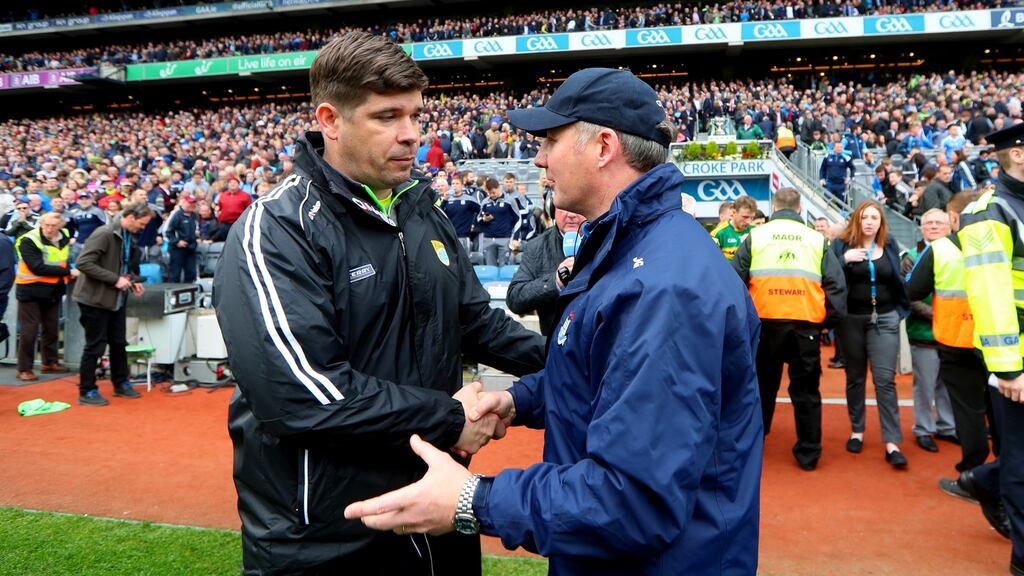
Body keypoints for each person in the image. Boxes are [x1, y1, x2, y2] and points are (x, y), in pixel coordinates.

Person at [345, 67, 763, 576]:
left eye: (550, 140)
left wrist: (471, 500)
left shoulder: (664, 286)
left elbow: (634, 500)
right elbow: (605, 377)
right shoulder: (628, 248)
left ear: (603, 147)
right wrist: (518, 400)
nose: (539, 158)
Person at [213, 32, 545, 576]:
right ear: (330, 120)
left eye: (415, 114)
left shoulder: (422, 209)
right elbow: (305, 395)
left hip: (438, 503)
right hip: (330, 534)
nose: (411, 134)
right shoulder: (276, 229)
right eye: (387, 116)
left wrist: (573, 359)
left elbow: (474, 321)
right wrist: (450, 418)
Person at [733, 187, 846, 471]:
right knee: (806, 390)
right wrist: (824, 323)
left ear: (773, 208)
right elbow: (836, 286)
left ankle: (754, 444)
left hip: (764, 325)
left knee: (760, 388)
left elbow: (734, 281)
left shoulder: (756, 236)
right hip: (804, 325)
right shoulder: (816, 240)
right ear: (799, 209)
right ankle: (809, 453)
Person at [956, 122, 1024, 569]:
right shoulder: (989, 212)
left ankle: (985, 478)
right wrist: (1009, 368)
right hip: (1019, 355)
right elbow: (990, 293)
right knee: (1022, 458)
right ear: (1017, 154)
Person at [832, 200, 911, 468]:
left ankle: (892, 442)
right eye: (864, 217)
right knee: (855, 377)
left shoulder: (889, 244)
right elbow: (829, 276)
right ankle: (857, 430)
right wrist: (844, 260)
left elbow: (898, 279)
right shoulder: (841, 245)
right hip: (850, 320)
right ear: (856, 220)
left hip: (885, 319)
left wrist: (901, 311)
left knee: (885, 380)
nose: (869, 222)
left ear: (881, 222)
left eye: (874, 218)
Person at [72, 202, 152, 406]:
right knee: (95, 346)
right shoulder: (104, 233)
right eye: (141, 224)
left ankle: (121, 382)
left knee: (118, 343)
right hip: (94, 299)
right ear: (130, 217)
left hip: (115, 298)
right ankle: (87, 389)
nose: (142, 228)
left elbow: (121, 267)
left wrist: (131, 282)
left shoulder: (126, 236)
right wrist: (115, 280)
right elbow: (84, 263)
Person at [903, 208, 958, 453]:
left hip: (953, 333)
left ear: (949, 226)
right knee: (924, 386)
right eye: (929, 223)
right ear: (922, 227)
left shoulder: (958, 253)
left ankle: (947, 426)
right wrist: (938, 316)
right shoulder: (911, 257)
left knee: (947, 385)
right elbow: (909, 297)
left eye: (939, 223)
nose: (934, 227)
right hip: (923, 333)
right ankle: (923, 429)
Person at [13, 212, 78, 381]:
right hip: (30, 290)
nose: (49, 229)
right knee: (30, 331)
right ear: (41, 223)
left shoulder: (64, 235)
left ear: (60, 227)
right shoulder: (28, 240)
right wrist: (69, 272)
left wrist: (68, 272)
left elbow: (62, 260)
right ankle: (24, 369)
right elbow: (37, 267)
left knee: (52, 328)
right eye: (46, 225)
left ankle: (50, 362)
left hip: (53, 289)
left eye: (53, 226)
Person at [506, 208, 585, 336]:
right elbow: (515, 299)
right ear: (551, 208)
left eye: (577, 207)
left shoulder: (607, 241)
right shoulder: (537, 246)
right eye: (565, 208)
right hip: (554, 346)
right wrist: (555, 282)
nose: (571, 215)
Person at [477, 177, 519, 266]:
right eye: (489, 193)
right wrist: (484, 219)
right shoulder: (485, 202)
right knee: (490, 268)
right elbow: (478, 219)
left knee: (504, 267)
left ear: (498, 188)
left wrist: (515, 238)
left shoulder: (510, 200)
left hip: (504, 239)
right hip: (488, 239)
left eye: (493, 192)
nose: (491, 195)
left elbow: (518, 219)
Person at [164, 194, 199, 283]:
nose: (192, 205)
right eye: (190, 203)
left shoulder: (194, 215)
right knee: (175, 274)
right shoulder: (176, 215)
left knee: (191, 273)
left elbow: (196, 228)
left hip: (190, 248)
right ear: (184, 202)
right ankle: (172, 295)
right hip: (177, 249)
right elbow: (167, 231)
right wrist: (177, 241)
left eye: (194, 203)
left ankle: (191, 294)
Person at [711, 194, 757, 260]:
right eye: (745, 217)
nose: (749, 222)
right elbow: (710, 259)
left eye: (752, 217)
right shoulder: (718, 233)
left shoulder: (755, 231)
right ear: (734, 212)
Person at [442, 177, 480, 253]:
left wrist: (474, 224)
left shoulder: (469, 199)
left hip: (464, 236)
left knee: (465, 259)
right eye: (453, 184)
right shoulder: (446, 199)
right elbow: (440, 213)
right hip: (450, 235)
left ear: (462, 186)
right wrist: (445, 200)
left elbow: (480, 212)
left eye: (457, 183)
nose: (455, 186)